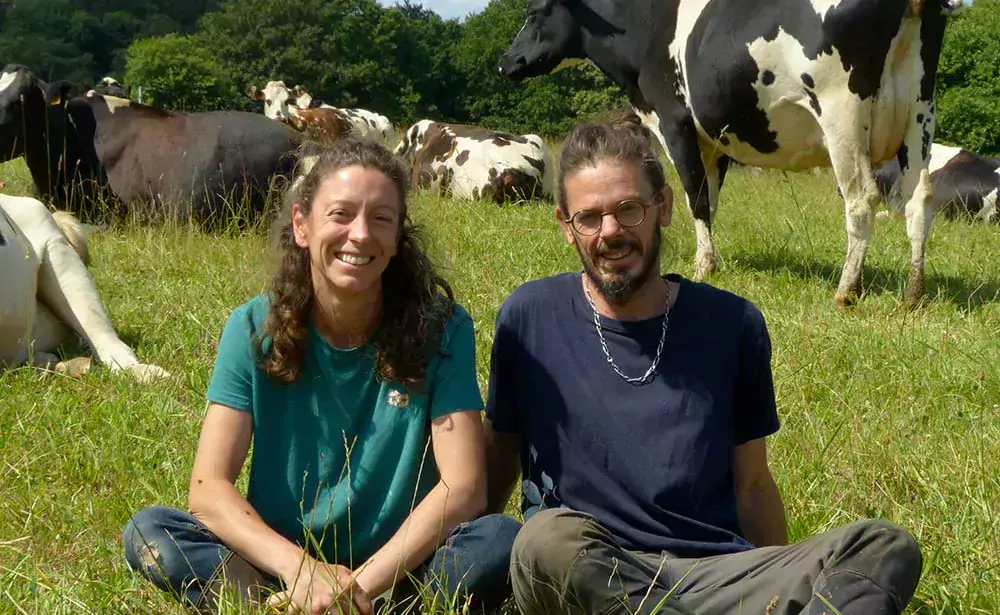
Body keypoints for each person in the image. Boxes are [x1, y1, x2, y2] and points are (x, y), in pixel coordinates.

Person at [483, 118, 924, 615]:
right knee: (544, 540)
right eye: (589, 217)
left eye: (628, 209)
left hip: (712, 573)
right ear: (567, 226)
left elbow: (752, 483)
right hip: (593, 567)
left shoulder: (731, 323)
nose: (609, 232)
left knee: (884, 548)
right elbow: (499, 460)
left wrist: (773, 577)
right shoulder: (530, 316)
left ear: (664, 207)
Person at [122, 139, 520, 615]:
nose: (359, 234)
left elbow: (464, 487)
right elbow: (208, 488)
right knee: (151, 532)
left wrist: (359, 589)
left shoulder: (443, 329)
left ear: (396, 240)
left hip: (402, 569)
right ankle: (274, 602)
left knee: (499, 538)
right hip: (281, 563)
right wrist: (303, 571)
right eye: (340, 214)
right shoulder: (252, 328)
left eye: (381, 219)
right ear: (301, 226)